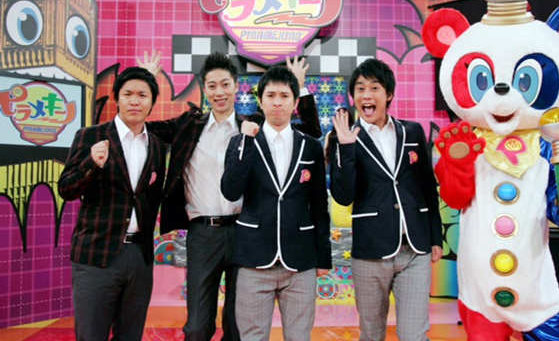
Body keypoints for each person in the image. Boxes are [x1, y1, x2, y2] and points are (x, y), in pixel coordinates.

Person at [142, 52, 321, 341]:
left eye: (225, 84)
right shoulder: (189, 125)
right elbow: (143, 127)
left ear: (236, 86)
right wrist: (146, 81)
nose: (219, 92)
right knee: (197, 326)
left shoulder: (254, 125)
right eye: (212, 86)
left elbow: (310, 131)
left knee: (237, 325)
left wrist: (298, 86)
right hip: (203, 233)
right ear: (204, 88)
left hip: (245, 231)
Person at [329, 58, 443, 341]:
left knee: (414, 335)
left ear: (389, 94)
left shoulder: (412, 132)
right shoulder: (342, 137)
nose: (366, 95)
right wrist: (346, 148)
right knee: (372, 334)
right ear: (353, 97)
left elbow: (427, 187)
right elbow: (343, 196)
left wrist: (435, 237)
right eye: (360, 89)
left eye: (374, 88)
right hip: (371, 250)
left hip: (414, 248)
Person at [220, 66, 331, 341]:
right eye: (270, 95)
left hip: (300, 260)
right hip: (253, 259)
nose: (277, 102)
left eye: (284, 96)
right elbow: (230, 191)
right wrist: (245, 143)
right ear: (261, 101)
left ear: (295, 102)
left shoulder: (310, 146)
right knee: (252, 336)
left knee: (299, 336)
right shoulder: (242, 142)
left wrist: (323, 257)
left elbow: (319, 206)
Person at [58, 67, 167, 341]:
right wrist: (91, 163)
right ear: (117, 98)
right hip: (97, 254)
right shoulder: (90, 136)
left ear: (152, 102)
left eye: (142, 95)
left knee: (130, 335)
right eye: (128, 94)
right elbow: (66, 188)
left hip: (139, 257)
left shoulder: (156, 145)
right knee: (91, 335)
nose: (135, 101)